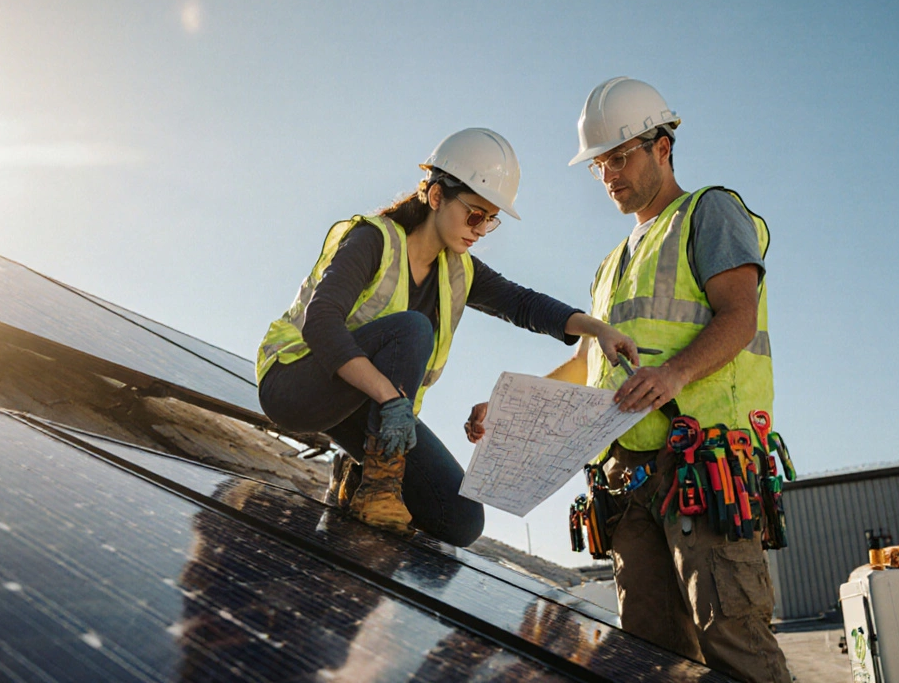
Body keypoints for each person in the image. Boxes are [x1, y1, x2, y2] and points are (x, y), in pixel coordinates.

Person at [256, 128, 638, 547]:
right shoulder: (374, 239)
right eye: (475, 214)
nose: (480, 229)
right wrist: (389, 397)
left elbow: (524, 304)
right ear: (436, 196)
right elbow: (321, 322)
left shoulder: (458, 270)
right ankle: (380, 488)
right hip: (294, 384)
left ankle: (358, 476)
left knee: (459, 519)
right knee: (412, 328)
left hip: (367, 410)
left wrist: (598, 329)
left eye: (490, 220)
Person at [540, 78, 789, 682]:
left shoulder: (709, 211)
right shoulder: (610, 264)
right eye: (599, 165)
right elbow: (592, 366)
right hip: (625, 482)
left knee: (732, 639)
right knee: (653, 658)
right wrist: (514, 405)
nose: (608, 176)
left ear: (662, 146)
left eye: (619, 157)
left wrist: (674, 373)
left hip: (700, 465)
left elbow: (738, 314)